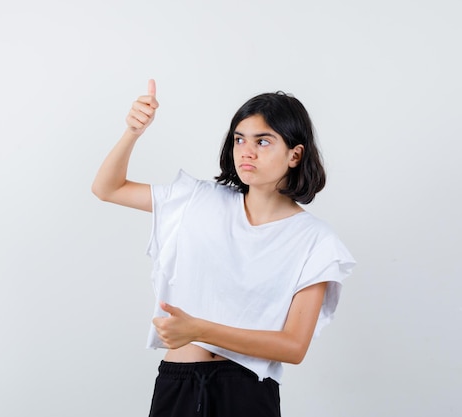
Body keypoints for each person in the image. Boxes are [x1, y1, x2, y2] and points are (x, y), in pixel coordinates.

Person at [91, 80, 356, 417]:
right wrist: (132, 132)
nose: (246, 150)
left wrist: (201, 329)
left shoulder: (316, 240)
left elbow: (293, 346)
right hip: (178, 385)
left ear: (295, 154)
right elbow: (107, 188)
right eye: (239, 139)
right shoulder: (196, 200)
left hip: (247, 393)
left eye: (263, 141)